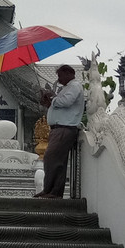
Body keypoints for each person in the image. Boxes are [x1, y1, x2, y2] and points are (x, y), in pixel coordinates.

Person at [36, 64, 84, 199]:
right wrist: (49, 100)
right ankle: (49, 189)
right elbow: (61, 103)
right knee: (55, 160)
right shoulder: (67, 88)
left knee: (53, 159)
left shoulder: (74, 86)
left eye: (60, 76)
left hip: (65, 128)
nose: (58, 79)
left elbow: (67, 102)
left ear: (69, 74)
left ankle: (54, 192)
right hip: (58, 128)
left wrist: (53, 97)